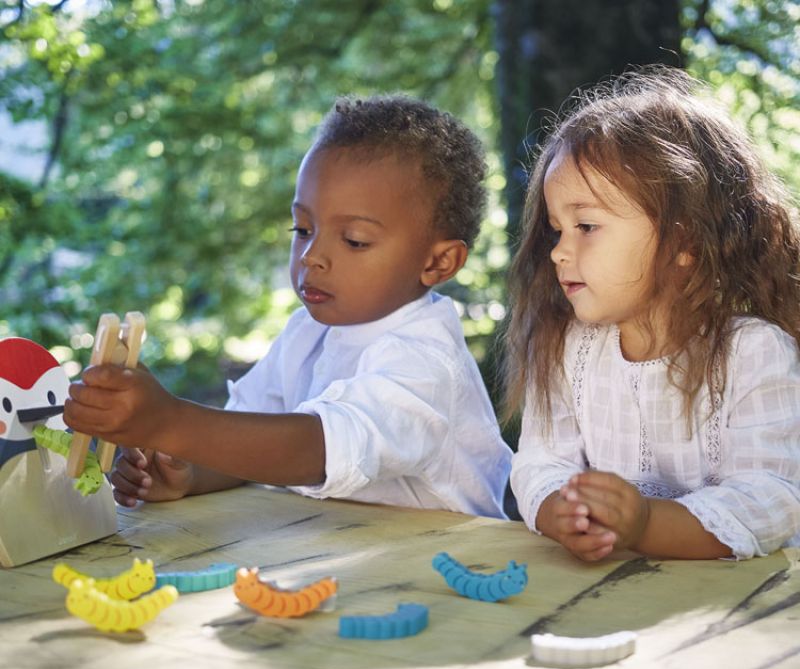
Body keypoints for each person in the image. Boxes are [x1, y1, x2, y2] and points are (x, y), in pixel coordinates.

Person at [64, 96, 512, 518]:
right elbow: (247, 441)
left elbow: (316, 449)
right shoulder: (306, 332)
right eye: (302, 229)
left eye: (354, 240)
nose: (312, 255)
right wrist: (189, 471)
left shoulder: (426, 363)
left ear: (439, 262)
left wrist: (170, 422)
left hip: (452, 580)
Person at [504, 66, 800, 561]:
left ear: (682, 240)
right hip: (610, 596)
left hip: (741, 606)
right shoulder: (568, 348)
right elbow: (540, 461)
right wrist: (561, 509)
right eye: (557, 230)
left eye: (587, 226)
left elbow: (770, 498)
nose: (558, 251)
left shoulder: (753, 352)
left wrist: (644, 523)